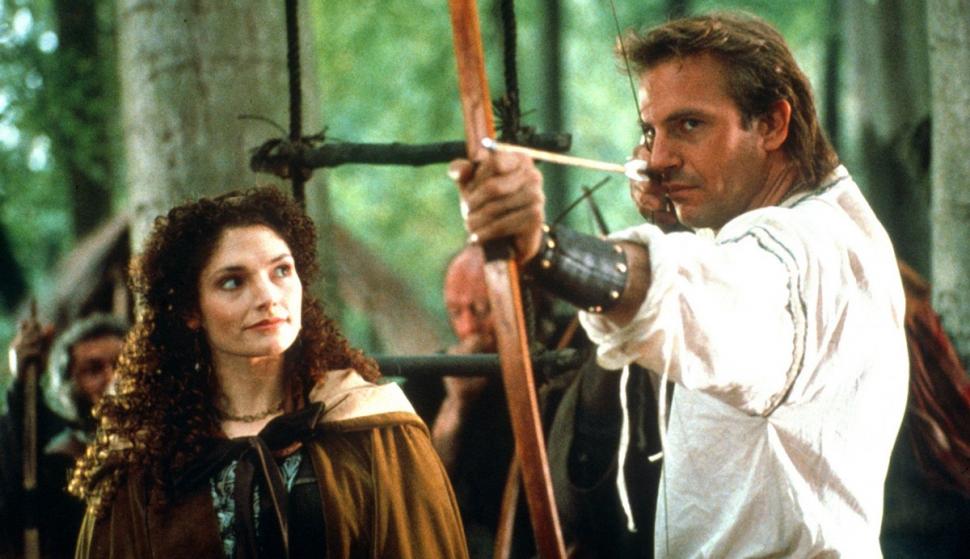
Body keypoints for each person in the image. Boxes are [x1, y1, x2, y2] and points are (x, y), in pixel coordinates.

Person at [450, 12, 908, 557]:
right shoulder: (825, 224)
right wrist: (675, 229)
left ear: (772, 124)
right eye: (651, 131)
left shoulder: (808, 254)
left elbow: (712, 295)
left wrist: (542, 248)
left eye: (690, 125)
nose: (658, 159)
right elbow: (720, 277)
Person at [69, 186, 468, 558]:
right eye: (233, 282)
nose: (268, 297)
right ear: (191, 310)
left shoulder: (375, 428)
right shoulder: (144, 457)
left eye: (281, 271)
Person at [1, 314, 127, 559]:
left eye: (123, 364)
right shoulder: (61, 464)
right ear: (69, 387)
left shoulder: (165, 445)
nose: (114, 378)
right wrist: (22, 385)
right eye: (94, 369)